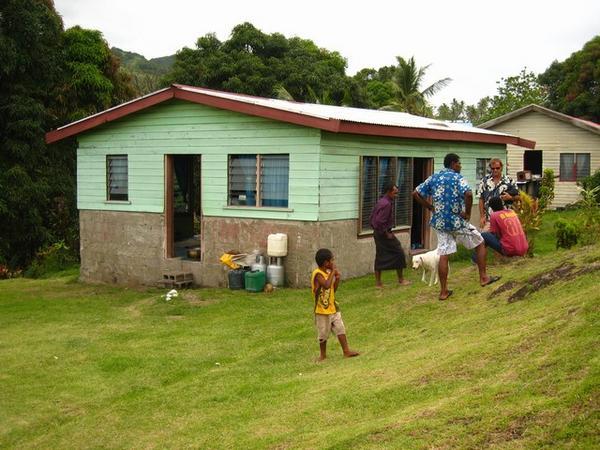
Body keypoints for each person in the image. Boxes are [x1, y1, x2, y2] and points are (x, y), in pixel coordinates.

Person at [412, 153, 501, 301]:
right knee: (479, 242)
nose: (460, 166)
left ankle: (443, 292)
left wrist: (430, 207)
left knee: (443, 253)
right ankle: (484, 278)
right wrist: (467, 213)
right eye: (459, 163)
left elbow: (415, 193)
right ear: (453, 164)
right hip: (457, 222)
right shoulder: (457, 178)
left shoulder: (434, 178)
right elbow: (468, 193)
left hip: (440, 223)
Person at [311, 248, 359, 361]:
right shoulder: (318, 274)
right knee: (323, 333)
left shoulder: (328, 273)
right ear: (326, 263)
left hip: (333, 307)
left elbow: (332, 289)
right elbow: (326, 285)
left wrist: (337, 278)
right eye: (332, 260)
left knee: (340, 328)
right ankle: (322, 355)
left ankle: (346, 351)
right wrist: (333, 271)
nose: (333, 262)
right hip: (322, 310)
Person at [369, 182, 410, 288]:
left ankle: (378, 282)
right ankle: (400, 279)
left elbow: (372, 217)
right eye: (394, 193)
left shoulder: (381, 201)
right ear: (389, 192)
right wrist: (386, 233)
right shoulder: (386, 204)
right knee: (399, 252)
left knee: (380, 255)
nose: (396, 195)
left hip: (378, 233)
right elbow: (379, 221)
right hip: (383, 233)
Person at [477, 158, 520, 231]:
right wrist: (482, 216)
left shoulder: (509, 181)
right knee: (486, 238)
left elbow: (519, 197)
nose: (495, 170)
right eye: (493, 168)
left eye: (497, 168)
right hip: (489, 219)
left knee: (505, 240)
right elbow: (481, 199)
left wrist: (510, 198)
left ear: (501, 168)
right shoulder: (484, 181)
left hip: (506, 218)